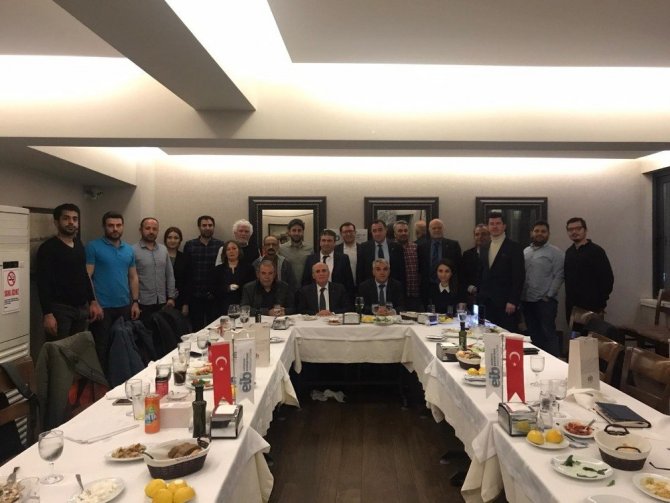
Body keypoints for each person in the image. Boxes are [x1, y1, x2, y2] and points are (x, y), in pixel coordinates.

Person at [36, 203, 102, 340]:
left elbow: (84, 275)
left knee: (77, 349)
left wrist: (93, 301)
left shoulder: (78, 244)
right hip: (60, 310)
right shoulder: (48, 248)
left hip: (81, 308)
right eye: (66, 218)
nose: (71, 222)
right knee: (59, 350)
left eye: (75, 219)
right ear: (56, 222)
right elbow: (43, 283)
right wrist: (47, 314)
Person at [86, 211, 140, 367]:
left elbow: (133, 277)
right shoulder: (93, 247)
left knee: (124, 346)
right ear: (104, 227)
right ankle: (102, 381)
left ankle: (122, 377)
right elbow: (87, 276)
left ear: (123, 226)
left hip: (124, 306)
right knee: (102, 348)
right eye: (110, 225)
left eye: (118, 225)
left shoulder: (128, 249)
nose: (115, 229)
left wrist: (135, 302)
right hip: (102, 307)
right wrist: (93, 302)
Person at [521, 221, 564, 355]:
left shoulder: (556, 253)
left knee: (548, 334)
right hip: (527, 300)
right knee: (533, 334)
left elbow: (559, 275)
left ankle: (555, 363)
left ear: (548, 234)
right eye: (537, 231)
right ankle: (537, 361)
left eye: (543, 231)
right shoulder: (525, 251)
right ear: (531, 233)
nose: (539, 234)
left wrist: (549, 295)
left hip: (545, 302)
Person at [478, 212, 525, 332]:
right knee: (487, 335)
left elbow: (519, 276)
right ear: (488, 227)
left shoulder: (514, 247)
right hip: (486, 301)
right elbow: (483, 273)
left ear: (504, 226)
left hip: (506, 303)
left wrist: (513, 301)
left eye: (498, 223)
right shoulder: (484, 247)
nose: (495, 226)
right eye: (492, 224)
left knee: (506, 335)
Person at [564, 217, 614, 320]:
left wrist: (601, 303)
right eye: (570, 229)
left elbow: (607, 278)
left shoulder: (596, 251)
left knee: (593, 331)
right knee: (574, 330)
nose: (574, 232)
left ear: (585, 230)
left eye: (578, 228)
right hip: (573, 306)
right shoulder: (569, 252)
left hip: (593, 306)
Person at [182, 215, 224, 330]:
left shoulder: (220, 245)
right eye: (204, 225)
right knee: (197, 329)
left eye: (210, 225)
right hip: (195, 295)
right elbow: (186, 273)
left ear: (213, 227)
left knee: (215, 329)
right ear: (199, 227)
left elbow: (223, 271)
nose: (207, 228)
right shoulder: (190, 245)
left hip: (214, 296)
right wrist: (185, 301)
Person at [132, 217, 176, 323]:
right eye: (147, 228)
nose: (151, 231)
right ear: (140, 230)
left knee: (162, 331)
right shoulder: (132, 250)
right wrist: (134, 302)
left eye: (154, 229)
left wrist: (171, 297)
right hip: (143, 302)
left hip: (162, 302)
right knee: (144, 331)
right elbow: (130, 277)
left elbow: (169, 275)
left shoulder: (163, 249)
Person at [417, 218, 462, 305]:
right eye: (434, 228)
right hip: (428, 287)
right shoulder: (422, 247)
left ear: (443, 229)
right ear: (429, 230)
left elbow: (459, 267)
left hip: (449, 287)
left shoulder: (453, 245)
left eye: (439, 228)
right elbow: (420, 268)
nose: (437, 230)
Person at [301, 229, 355, 297]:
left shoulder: (343, 259)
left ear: (334, 243)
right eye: (323, 240)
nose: (326, 243)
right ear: (320, 242)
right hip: (316, 297)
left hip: (338, 297)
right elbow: (305, 282)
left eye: (329, 241)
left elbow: (349, 283)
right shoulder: (310, 259)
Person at [357, 220, 405, 286]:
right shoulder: (364, 247)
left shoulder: (397, 247)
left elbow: (402, 272)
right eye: (374, 231)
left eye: (380, 230)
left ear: (386, 230)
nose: (377, 233)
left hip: (392, 287)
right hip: (371, 288)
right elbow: (360, 272)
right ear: (371, 232)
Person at [214, 240, 255, 315]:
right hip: (223, 307)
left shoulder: (249, 268)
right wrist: (227, 288)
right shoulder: (218, 270)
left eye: (234, 248)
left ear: (239, 251)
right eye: (228, 249)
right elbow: (214, 289)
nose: (231, 251)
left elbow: (252, 287)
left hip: (243, 306)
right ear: (225, 253)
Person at [393, 220, 423, 311]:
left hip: (415, 294)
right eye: (400, 231)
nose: (403, 233)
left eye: (405, 230)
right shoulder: (391, 248)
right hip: (397, 295)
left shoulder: (416, 247)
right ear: (394, 234)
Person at [279, 218, 313, 288]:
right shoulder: (281, 249)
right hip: (287, 288)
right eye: (294, 230)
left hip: (305, 287)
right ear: (289, 232)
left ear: (303, 232)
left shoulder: (310, 248)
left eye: (299, 230)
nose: (297, 233)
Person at [461, 224, 491, 306]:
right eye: (477, 234)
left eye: (484, 234)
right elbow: (462, 275)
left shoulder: (494, 254)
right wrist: (469, 287)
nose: (480, 237)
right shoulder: (467, 254)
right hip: (472, 296)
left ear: (489, 236)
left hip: (491, 296)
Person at [164, 226, 187, 310]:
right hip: (160, 300)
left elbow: (187, 282)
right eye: (169, 237)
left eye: (176, 238)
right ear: (165, 240)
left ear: (180, 240)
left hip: (179, 301)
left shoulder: (185, 258)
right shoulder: (159, 256)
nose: (172, 240)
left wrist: (185, 303)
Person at [334, 221, 360, 287]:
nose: (348, 234)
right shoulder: (335, 250)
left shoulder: (363, 249)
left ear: (355, 232)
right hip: (342, 287)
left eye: (351, 231)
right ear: (341, 234)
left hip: (360, 286)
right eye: (345, 232)